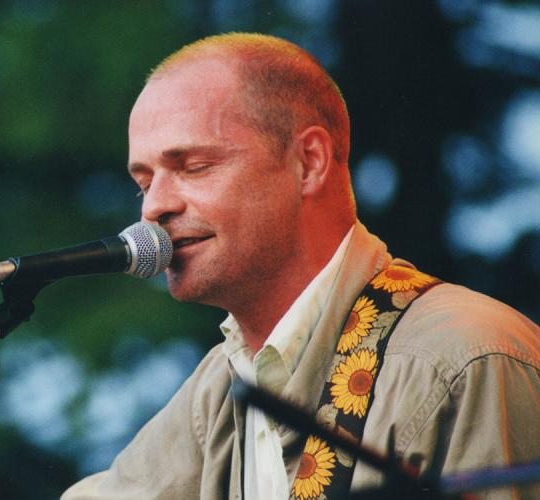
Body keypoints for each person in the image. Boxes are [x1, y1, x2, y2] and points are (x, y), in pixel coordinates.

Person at [62, 33, 540, 499]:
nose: (153, 208)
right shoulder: (220, 386)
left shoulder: (467, 357)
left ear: (309, 163)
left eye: (194, 167)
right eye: (144, 183)